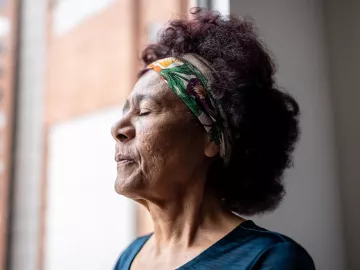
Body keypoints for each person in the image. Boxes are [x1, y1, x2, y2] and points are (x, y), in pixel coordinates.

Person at [111, 8, 315, 270]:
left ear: (211, 138)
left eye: (145, 111)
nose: (117, 128)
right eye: (124, 111)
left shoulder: (271, 260)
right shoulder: (128, 258)